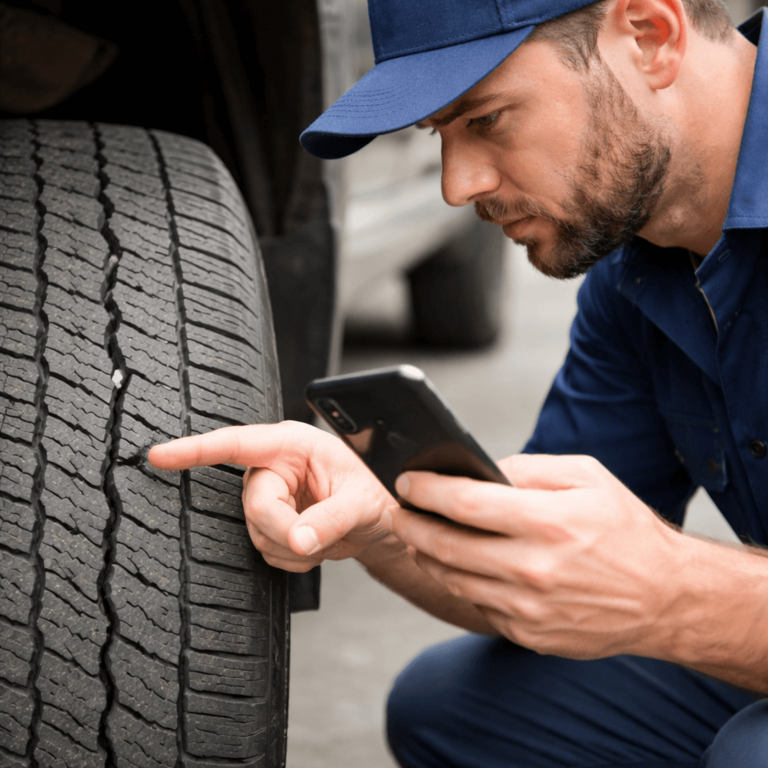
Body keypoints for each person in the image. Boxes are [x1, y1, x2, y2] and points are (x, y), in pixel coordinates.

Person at [150, 0, 768, 764]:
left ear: (650, 35)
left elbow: (662, 590)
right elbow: (539, 569)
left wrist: (677, 591)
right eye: (437, 134)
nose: (456, 185)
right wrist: (384, 518)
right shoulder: (635, 277)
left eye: (487, 119)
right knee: (459, 711)